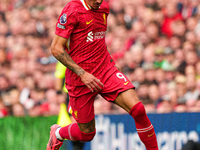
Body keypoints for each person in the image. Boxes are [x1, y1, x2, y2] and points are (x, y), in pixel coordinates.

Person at [46, 0, 159, 150]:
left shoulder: (103, 7)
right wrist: (82, 73)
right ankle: (58, 133)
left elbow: (95, 39)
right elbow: (56, 49)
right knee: (87, 134)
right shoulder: (72, 11)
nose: (99, 1)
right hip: (79, 78)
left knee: (138, 110)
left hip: (105, 70)